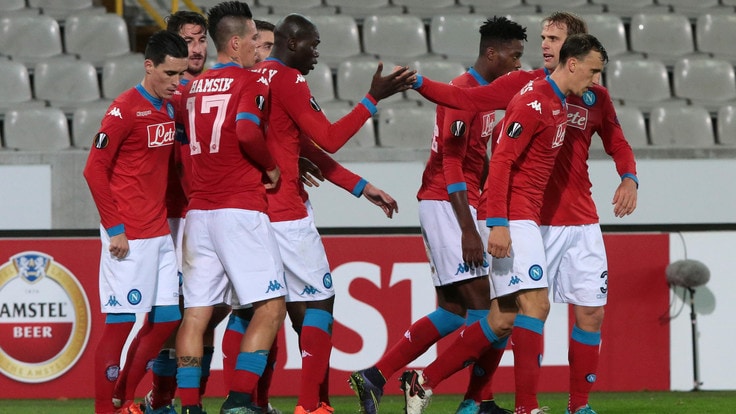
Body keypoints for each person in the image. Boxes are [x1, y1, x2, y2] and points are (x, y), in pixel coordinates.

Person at [409, 12, 638, 414]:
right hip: (528, 218)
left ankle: (578, 406)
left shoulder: (593, 96)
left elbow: (617, 141)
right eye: (544, 37)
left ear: (574, 48)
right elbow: (467, 101)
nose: (544, 44)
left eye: (554, 38)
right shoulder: (526, 87)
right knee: (509, 316)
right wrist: (418, 82)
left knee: (589, 311)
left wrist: (629, 177)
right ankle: (465, 391)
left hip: (579, 217)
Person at [348, 16, 527, 414]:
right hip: (447, 204)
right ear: (492, 53)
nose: (518, 64)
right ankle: (467, 398)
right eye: (514, 56)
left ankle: (375, 376)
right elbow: (451, 161)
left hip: (459, 204)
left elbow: (477, 157)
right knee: (489, 311)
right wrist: (468, 229)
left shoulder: (485, 94)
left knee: (453, 312)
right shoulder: (462, 92)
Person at [251, 12, 413, 414]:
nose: (316, 54)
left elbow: (299, 147)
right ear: (292, 43)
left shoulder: (252, 78)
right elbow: (329, 138)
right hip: (287, 212)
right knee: (320, 303)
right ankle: (310, 405)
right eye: (313, 45)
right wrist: (372, 97)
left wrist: (361, 186)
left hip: (250, 215)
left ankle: (251, 403)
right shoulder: (289, 80)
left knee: (261, 312)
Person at [173, 2, 286, 414]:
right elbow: (247, 131)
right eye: (255, 38)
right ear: (236, 43)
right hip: (238, 209)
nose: (259, 46)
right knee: (271, 307)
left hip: (198, 213)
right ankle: (239, 401)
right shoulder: (251, 82)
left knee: (196, 315)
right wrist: (270, 166)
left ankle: (189, 406)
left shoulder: (192, 88)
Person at [83, 30, 189, 414]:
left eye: (181, 74)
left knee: (168, 319)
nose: (176, 82)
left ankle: (123, 393)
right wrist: (115, 229)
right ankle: (106, 408)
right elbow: (94, 170)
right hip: (128, 235)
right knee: (121, 324)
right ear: (149, 66)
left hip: (159, 232)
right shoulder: (124, 109)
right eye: (169, 74)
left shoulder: (169, 107)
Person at [139, 10, 234, 414]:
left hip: (212, 211)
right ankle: (161, 400)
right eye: (187, 41)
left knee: (212, 309)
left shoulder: (215, 89)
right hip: (174, 215)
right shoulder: (166, 96)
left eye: (200, 40)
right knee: (175, 312)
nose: (196, 49)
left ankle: (189, 398)